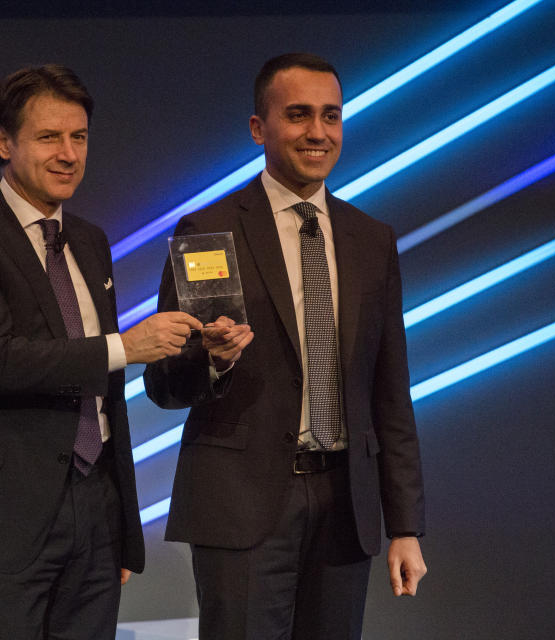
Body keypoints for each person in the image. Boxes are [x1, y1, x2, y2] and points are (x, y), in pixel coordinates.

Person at [144, 52, 427, 639]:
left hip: (346, 507)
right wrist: (210, 361)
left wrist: (405, 526)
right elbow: (165, 384)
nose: (317, 133)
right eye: (298, 115)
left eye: (331, 116)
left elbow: (390, 392)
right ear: (259, 128)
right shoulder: (209, 231)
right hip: (243, 505)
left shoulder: (371, 240)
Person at [0, 64, 201, 639]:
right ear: (4, 142)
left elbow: (105, 389)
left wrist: (206, 352)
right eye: (49, 137)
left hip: (95, 513)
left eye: (80, 137)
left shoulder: (90, 240)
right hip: (0, 516)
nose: (69, 154)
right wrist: (126, 345)